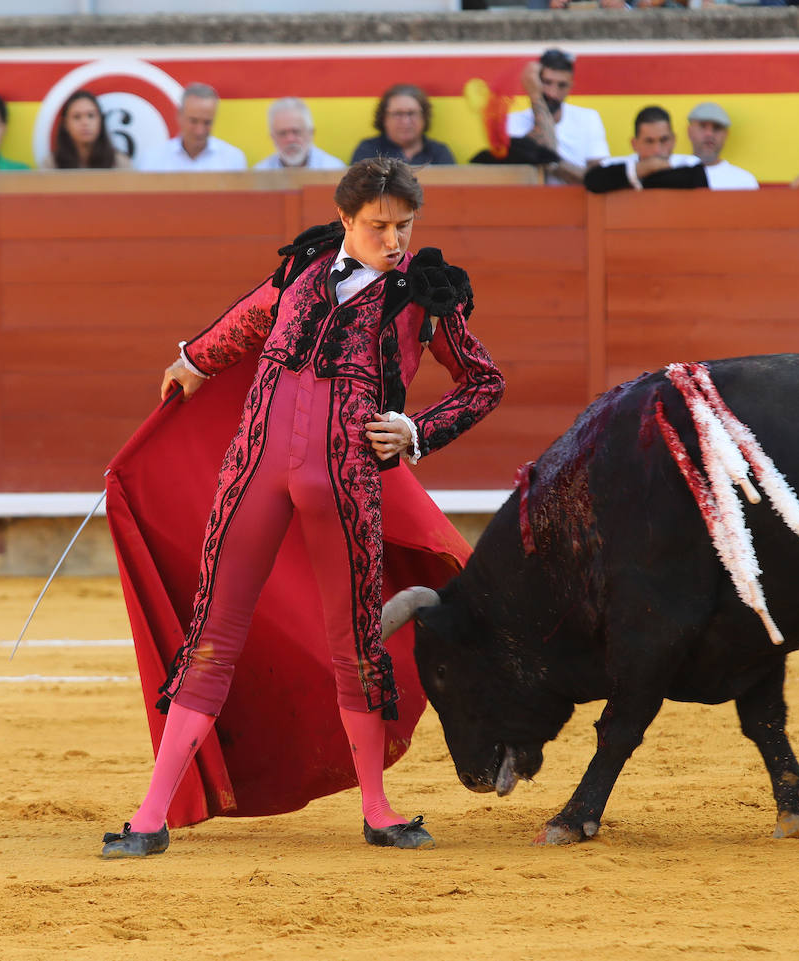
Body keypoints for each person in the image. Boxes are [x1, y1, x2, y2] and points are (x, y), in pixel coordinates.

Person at [100, 157, 504, 858]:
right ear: (346, 219)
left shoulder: (426, 298)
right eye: (379, 225)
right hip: (252, 472)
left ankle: (377, 809)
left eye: (404, 225)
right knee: (211, 637)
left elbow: (483, 383)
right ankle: (150, 814)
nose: (395, 239)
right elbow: (245, 321)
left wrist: (416, 431)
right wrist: (193, 361)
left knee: (353, 646)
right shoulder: (301, 272)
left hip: (345, 486)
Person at [506, 48, 608, 186]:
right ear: (535, 83)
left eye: (562, 85)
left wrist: (552, 164)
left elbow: (598, 178)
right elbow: (545, 144)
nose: (553, 93)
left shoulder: (588, 118)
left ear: (571, 87)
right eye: (547, 83)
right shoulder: (513, 121)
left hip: (576, 203)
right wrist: (535, 96)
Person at [583, 105, 705, 194]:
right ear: (634, 144)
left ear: (673, 140)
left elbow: (695, 181)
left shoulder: (689, 163)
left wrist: (633, 176)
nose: (657, 149)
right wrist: (641, 168)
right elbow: (592, 180)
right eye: (649, 141)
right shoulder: (615, 164)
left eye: (664, 140)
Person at [135, 83, 247, 172]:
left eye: (207, 122)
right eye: (193, 121)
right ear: (179, 116)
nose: (200, 131)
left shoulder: (233, 160)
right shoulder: (153, 160)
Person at [350, 85, 455, 166]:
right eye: (398, 114)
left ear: (424, 117)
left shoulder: (439, 152)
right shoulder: (368, 151)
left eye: (412, 113)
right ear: (384, 118)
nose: (405, 121)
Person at [42, 89, 130, 169]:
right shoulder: (51, 165)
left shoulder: (119, 163)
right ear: (65, 124)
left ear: (101, 120)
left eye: (91, 115)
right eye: (77, 117)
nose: (85, 123)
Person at [254, 97, 346, 171]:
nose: (290, 139)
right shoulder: (259, 173)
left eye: (296, 132)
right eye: (282, 133)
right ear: (272, 137)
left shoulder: (334, 170)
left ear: (311, 133)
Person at [684, 102, 758, 190]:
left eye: (716, 128)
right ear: (689, 131)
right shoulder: (671, 174)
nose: (709, 134)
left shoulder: (744, 182)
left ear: (726, 134)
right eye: (702, 126)